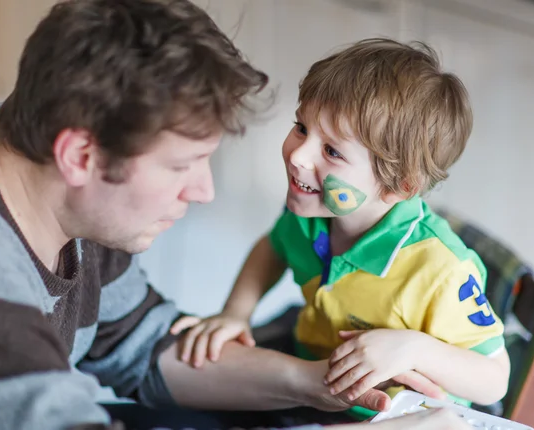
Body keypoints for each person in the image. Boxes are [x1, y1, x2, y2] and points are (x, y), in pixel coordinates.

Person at [0, 1, 474, 429]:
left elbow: (136, 344)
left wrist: (318, 382)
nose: (204, 190)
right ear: (79, 156)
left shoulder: (73, 204)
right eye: (183, 165)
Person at [175, 38, 511, 421]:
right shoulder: (308, 217)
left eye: (332, 151)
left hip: (385, 417)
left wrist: (414, 349)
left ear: (398, 185)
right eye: (301, 127)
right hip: (312, 377)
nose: (298, 155)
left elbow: (494, 379)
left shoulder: (442, 270)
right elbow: (273, 248)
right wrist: (236, 313)